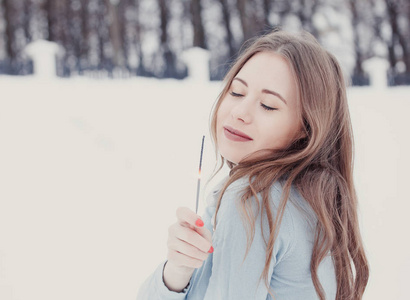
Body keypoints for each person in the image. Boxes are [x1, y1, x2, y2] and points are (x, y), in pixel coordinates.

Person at [137, 29, 369, 300]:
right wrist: (177, 272)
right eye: (236, 92)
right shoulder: (312, 197)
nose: (239, 113)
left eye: (268, 105)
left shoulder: (252, 201)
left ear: (306, 128)